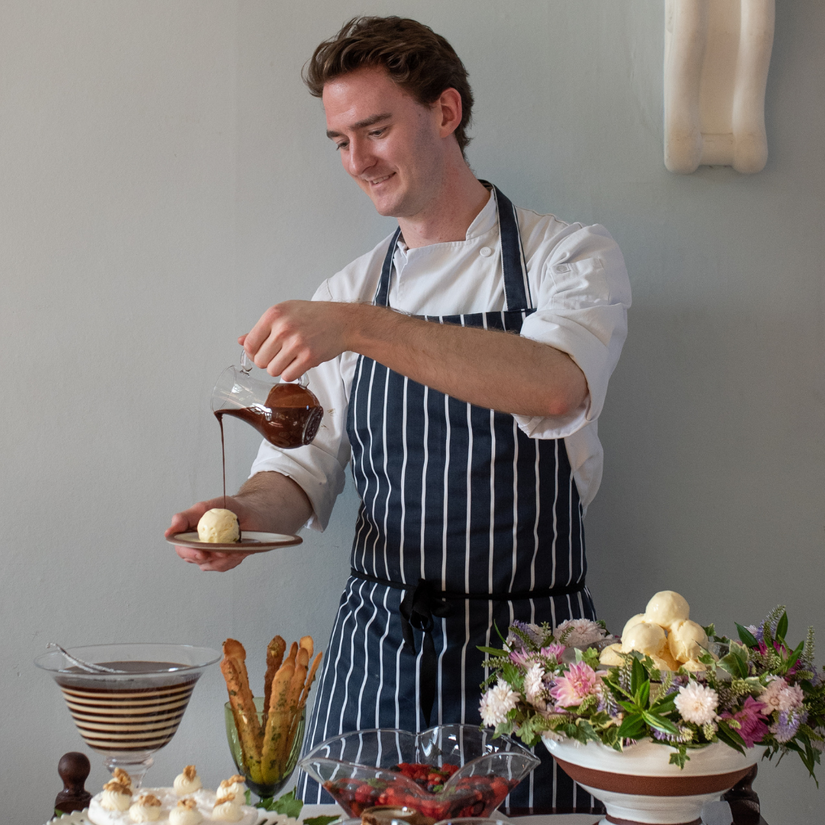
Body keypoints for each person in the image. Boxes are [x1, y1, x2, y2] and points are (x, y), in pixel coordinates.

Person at [168, 16, 631, 810]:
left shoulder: (569, 257)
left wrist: (355, 327)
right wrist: (239, 513)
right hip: (381, 652)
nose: (357, 162)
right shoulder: (347, 290)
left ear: (446, 112)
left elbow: (553, 383)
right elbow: (297, 472)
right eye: (339, 140)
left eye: (375, 130)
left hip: (534, 658)